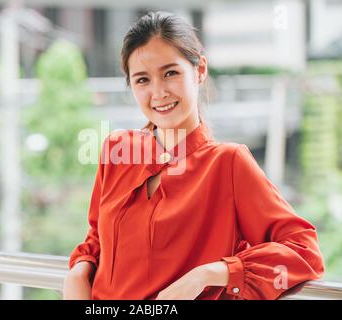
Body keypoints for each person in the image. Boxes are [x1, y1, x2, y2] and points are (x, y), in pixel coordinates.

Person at [63, 11, 324, 300]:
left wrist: (209, 274)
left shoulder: (228, 163)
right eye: (142, 80)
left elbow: (304, 252)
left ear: (199, 71)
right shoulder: (117, 150)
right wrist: (79, 269)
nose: (158, 92)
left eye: (171, 73)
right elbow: (98, 238)